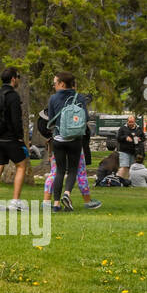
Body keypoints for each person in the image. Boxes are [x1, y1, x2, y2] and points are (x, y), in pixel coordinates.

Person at [47, 70, 91, 212]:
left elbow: (51, 119)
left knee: (60, 171)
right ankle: (67, 193)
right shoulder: (80, 97)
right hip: (75, 139)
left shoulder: (53, 99)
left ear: (61, 83)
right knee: (72, 170)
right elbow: (86, 118)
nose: (54, 85)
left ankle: (56, 204)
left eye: (55, 83)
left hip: (59, 138)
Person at [0, 66, 29, 212]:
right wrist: (20, 138)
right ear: (13, 79)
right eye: (18, 77)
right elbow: (16, 120)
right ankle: (15, 201)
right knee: (21, 165)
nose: (18, 80)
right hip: (9, 138)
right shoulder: (13, 96)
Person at [116, 116, 145, 182]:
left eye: (132, 122)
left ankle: (129, 181)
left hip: (135, 151)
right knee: (124, 166)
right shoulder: (123, 128)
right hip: (124, 151)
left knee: (132, 167)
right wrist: (125, 137)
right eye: (129, 122)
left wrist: (140, 139)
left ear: (135, 121)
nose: (131, 123)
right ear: (127, 121)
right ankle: (120, 181)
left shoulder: (139, 128)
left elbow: (143, 138)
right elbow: (118, 138)